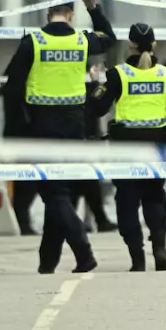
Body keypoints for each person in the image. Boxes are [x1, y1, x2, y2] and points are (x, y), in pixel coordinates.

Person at [1, 0, 117, 273]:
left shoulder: (33, 42)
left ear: (47, 14)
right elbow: (109, 36)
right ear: (71, 15)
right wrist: (94, 8)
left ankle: (84, 252)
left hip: (42, 125)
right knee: (60, 190)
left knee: (54, 194)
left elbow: (13, 87)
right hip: (75, 125)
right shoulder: (82, 40)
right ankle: (47, 263)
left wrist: (16, 129)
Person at [92, 23, 166, 270]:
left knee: (127, 201)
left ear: (131, 46)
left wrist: (96, 85)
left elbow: (97, 108)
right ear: (154, 45)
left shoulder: (119, 74)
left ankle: (137, 257)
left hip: (125, 148)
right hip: (157, 146)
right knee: (154, 197)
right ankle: (159, 248)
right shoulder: (164, 75)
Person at [74, 57, 118, 233]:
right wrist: (95, 84)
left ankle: (93, 220)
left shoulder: (75, 86)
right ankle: (98, 220)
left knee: (84, 182)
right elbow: (97, 103)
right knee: (84, 181)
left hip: (82, 138)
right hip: (84, 139)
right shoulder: (86, 88)